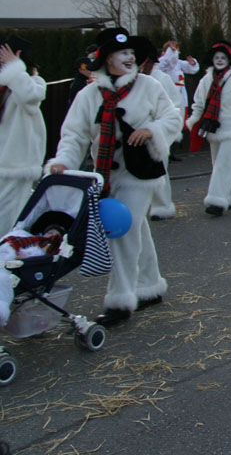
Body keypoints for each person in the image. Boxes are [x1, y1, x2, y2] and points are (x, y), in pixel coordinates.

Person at [47, 27, 181, 327]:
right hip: (105, 174)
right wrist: (63, 162)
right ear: (108, 59)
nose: (130, 58)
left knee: (123, 231)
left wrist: (152, 130)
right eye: (123, 53)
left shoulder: (148, 86)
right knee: (136, 227)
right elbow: (74, 135)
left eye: (132, 53)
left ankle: (120, 301)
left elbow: (172, 117)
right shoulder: (88, 95)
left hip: (140, 172)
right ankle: (150, 286)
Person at [186, 41, 231, 216]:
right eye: (217, 57)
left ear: (229, 60)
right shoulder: (206, 80)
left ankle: (216, 201)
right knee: (221, 164)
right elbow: (199, 103)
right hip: (214, 128)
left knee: (223, 164)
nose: (219, 60)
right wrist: (194, 120)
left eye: (223, 57)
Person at [0, 35, 47, 233]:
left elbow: (29, 96)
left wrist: (16, 68)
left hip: (17, 164)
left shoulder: (34, 82)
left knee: (8, 219)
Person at [136, 39, 185, 221]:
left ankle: (162, 205)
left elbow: (176, 104)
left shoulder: (161, 78)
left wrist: (168, 128)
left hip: (157, 130)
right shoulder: (133, 79)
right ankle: (145, 204)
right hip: (136, 132)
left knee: (159, 169)